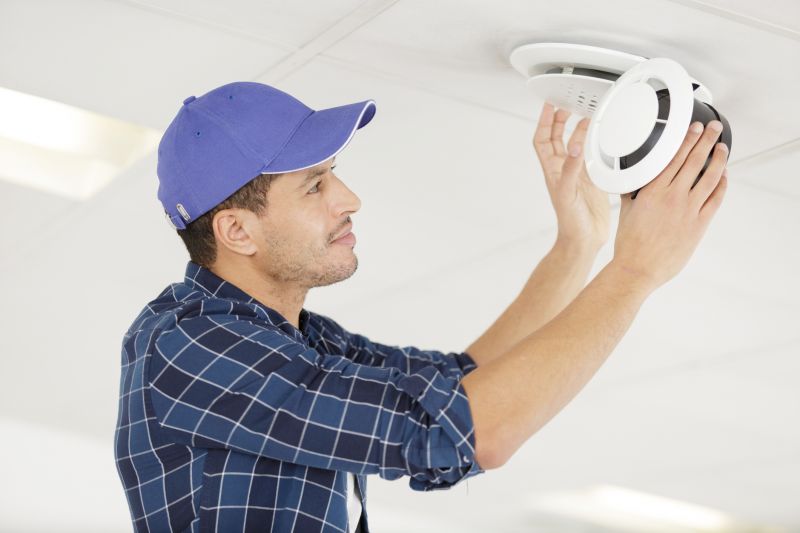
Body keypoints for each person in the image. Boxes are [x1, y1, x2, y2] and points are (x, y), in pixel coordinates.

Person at [114, 81, 729, 533]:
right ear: (237, 232)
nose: (350, 199)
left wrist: (580, 245)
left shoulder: (299, 341)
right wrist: (635, 271)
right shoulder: (187, 344)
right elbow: (468, 430)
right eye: (316, 185)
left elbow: (461, 385)